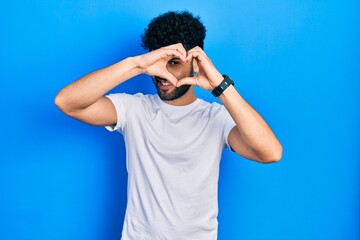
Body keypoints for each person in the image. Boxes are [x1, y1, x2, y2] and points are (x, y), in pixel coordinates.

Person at [55, 11, 282, 240]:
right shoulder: (134, 109)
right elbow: (67, 102)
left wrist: (219, 86)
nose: (163, 74)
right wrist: (137, 65)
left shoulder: (216, 117)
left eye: (174, 63)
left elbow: (270, 152)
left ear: (195, 62)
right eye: (158, 62)